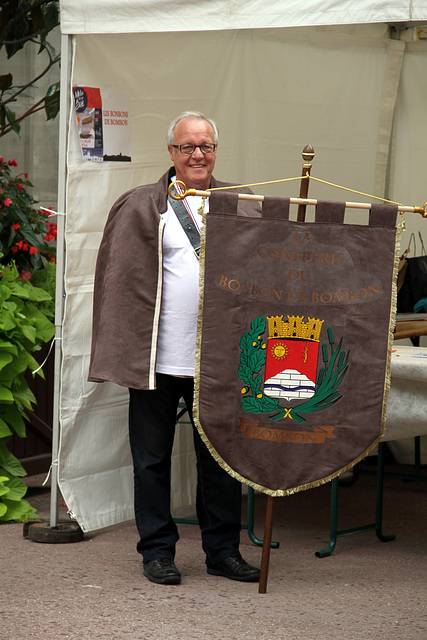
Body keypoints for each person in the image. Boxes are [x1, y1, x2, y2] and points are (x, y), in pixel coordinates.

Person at [89, 111, 261, 585]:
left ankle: (223, 551)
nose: (197, 154)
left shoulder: (240, 204)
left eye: (205, 145)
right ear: (171, 153)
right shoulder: (143, 204)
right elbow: (118, 282)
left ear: (215, 151)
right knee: (150, 461)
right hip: (157, 361)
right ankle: (158, 552)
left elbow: (266, 275)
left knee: (221, 461)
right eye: (187, 147)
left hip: (219, 362)